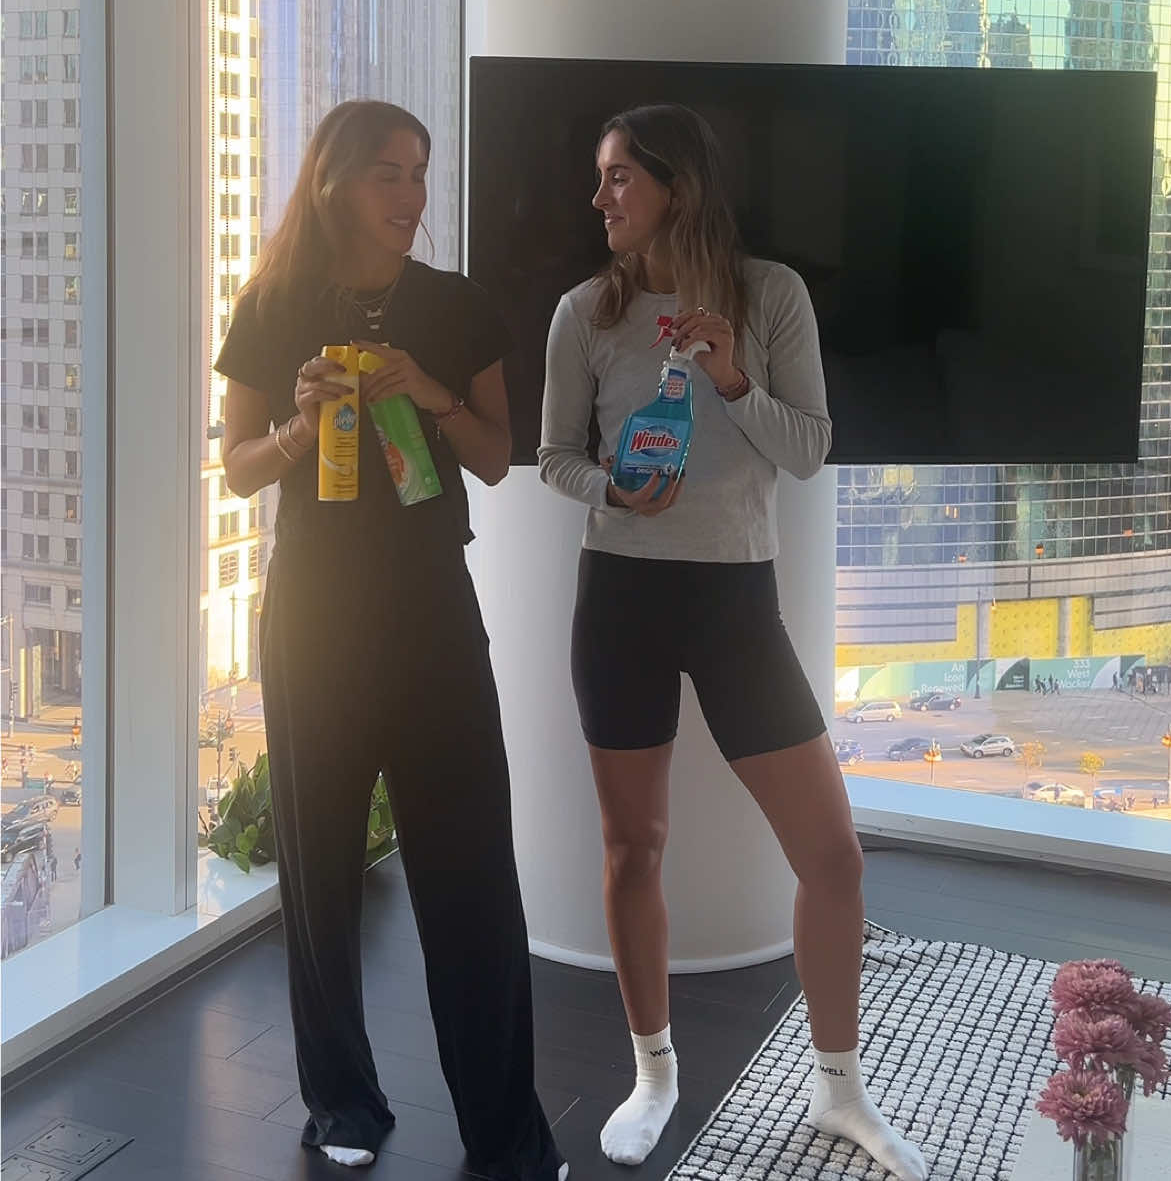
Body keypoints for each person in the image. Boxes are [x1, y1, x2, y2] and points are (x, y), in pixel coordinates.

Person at [539, 104, 926, 1181]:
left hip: (735, 601)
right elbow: (555, 455)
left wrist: (731, 377)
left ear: (679, 185)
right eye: (601, 177)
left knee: (833, 856)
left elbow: (808, 450)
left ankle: (837, 1087)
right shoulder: (584, 311)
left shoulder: (771, 296)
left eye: (619, 177)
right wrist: (613, 488)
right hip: (620, 595)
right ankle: (653, 1072)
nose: (599, 198)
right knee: (633, 847)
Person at [216, 100, 565, 1180]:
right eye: (389, 175)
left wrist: (429, 392)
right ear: (334, 182)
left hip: (430, 611)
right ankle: (343, 1102)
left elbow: (498, 456)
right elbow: (237, 466)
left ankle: (505, 1129)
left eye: (420, 173)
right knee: (320, 866)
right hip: (313, 615)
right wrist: (300, 425)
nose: (412, 196)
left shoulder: (457, 306)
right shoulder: (272, 305)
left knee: (471, 871)